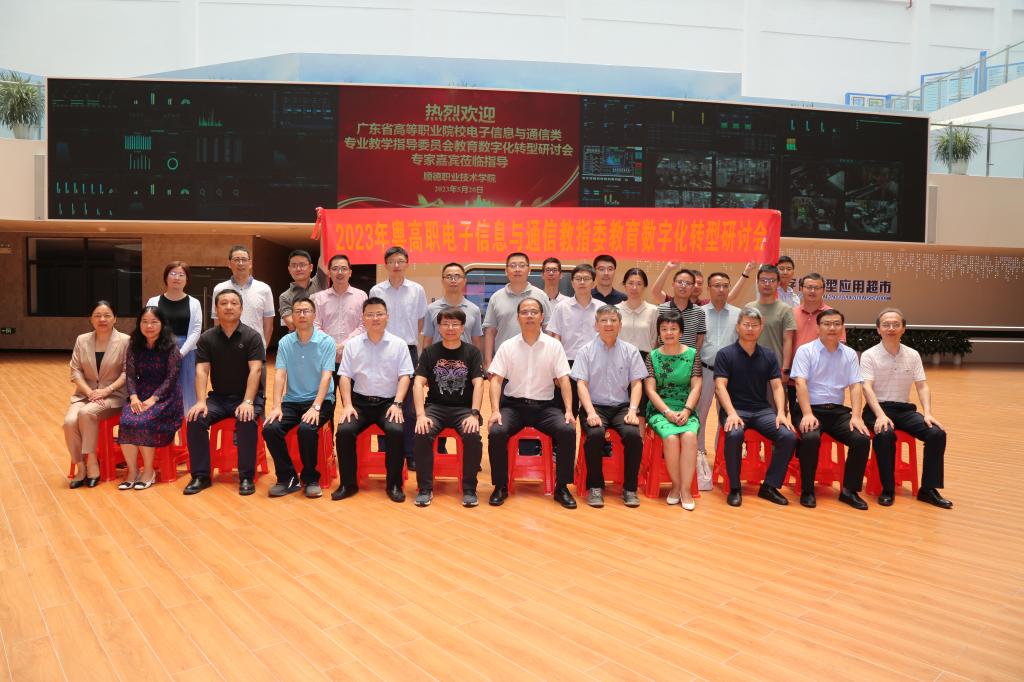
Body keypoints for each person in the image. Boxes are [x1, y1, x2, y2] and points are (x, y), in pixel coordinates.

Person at [486, 297, 577, 509]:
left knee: (567, 430)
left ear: (542, 317)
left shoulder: (554, 346)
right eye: (525, 312)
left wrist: (569, 411)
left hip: (545, 407)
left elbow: (564, 380)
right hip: (514, 406)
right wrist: (495, 411)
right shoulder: (508, 346)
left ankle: (562, 487)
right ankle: (500, 486)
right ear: (518, 317)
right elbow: (496, 380)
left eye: (534, 312)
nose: (529, 316)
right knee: (497, 431)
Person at [860, 308, 952, 509]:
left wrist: (928, 413)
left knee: (937, 433)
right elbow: (866, 388)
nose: (891, 328)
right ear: (878, 329)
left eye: (896, 324)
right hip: (877, 409)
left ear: (903, 329)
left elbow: (922, 386)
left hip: (904, 410)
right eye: (886, 325)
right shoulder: (869, 355)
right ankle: (887, 489)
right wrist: (880, 415)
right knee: (885, 435)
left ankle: (928, 489)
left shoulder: (912, 354)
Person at [184, 289, 266, 496]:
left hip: (247, 397)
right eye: (223, 303)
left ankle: (246, 476)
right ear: (216, 309)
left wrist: (248, 401)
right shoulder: (207, 338)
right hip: (219, 399)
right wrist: (200, 401)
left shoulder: (252, 336)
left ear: (241, 309)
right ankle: (201, 476)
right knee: (195, 419)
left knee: (246, 419)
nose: (229, 307)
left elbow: (256, 370)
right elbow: (202, 371)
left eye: (234, 303)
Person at [333, 297, 415, 502]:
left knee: (396, 431)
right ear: (363, 318)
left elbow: (405, 376)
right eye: (370, 314)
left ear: (387, 317)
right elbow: (344, 376)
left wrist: (397, 403)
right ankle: (348, 484)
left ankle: (394, 484)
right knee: (344, 431)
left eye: (379, 314)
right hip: (359, 403)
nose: (375, 318)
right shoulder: (353, 345)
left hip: (388, 404)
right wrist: (347, 405)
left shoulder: (399, 344)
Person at [713, 307, 797, 507]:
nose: (750, 329)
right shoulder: (725, 354)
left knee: (788, 436)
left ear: (761, 328)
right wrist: (731, 413)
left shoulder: (768, 355)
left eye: (754, 325)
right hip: (735, 409)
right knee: (734, 435)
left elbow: (777, 386)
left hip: (761, 410)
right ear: (738, 327)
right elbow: (719, 387)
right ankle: (735, 488)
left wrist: (780, 413)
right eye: (746, 325)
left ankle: (769, 486)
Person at [791, 308, 872, 510]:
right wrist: (807, 414)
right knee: (810, 438)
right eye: (827, 324)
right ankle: (807, 490)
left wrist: (856, 416)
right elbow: (800, 383)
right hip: (809, 408)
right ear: (818, 328)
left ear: (842, 328)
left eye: (837, 324)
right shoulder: (805, 351)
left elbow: (855, 386)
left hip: (837, 411)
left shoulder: (849, 354)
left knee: (862, 438)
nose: (832, 328)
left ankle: (849, 491)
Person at [572, 306, 648, 508]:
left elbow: (637, 383)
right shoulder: (585, 351)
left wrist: (633, 410)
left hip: (622, 407)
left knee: (634, 436)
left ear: (620, 325)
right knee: (595, 434)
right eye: (603, 320)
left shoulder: (630, 351)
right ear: (596, 325)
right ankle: (595, 486)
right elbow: (581, 384)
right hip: (594, 406)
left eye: (613, 320)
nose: (608, 324)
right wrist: (590, 412)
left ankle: (630, 488)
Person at [262, 296, 336, 499]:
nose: (302, 315)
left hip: (321, 400)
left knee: (306, 428)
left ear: (314, 315)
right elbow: (280, 375)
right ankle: (287, 478)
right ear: (292, 316)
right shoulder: (286, 342)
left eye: (306, 311)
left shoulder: (326, 342)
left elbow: (326, 376)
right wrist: (276, 406)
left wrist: (316, 407)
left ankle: (311, 478)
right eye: (297, 311)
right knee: (270, 428)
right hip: (292, 401)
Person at [412, 306, 486, 508]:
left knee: (472, 436)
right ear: (439, 327)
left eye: (455, 324)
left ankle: (469, 489)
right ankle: (424, 488)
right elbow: (418, 383)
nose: (450, 328)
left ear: (463, 328)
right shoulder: (429, 352)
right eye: (446, 324)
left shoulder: (472, 352)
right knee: (421, 432)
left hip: (464, 409)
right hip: (435, 407)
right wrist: (420, 415)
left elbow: (479, 384)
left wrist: (474, 414)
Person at [369, 246, 427, 471]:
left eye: (400, 261)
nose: (396, 265)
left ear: (407, 263)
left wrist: (411, 344)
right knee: (383, 399)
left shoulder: (417, 290)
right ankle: (386, 451)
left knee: (410, 405)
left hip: (408, 350)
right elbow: (372, 320)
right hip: (381, 349)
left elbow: (420, 321)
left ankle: (410, 453)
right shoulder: (376, 290)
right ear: (385, 265)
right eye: (392, 261)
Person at [116, 306, 183, 490]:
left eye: (154, 322)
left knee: (144, 422)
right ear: (139, 324)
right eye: (144, 322)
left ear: (162, 324)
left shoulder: (171, 347)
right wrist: (133, 397)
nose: (149, 326)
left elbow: (171, 378)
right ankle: (132, 471)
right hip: (140, 394)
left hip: (166, 396)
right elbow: (130, 375)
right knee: (126, 421)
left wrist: (154, 399)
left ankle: (148, 471)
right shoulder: (134, 345)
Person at [64, 301, 129, 488]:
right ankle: (80, 466)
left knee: (86, 413)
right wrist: (89, 392)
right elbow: (75, 371)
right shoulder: (82, 340)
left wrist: (107, 390)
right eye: (97, 315)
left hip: (113, 396)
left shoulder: (125, 341)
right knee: (69, 422)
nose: (102, 319)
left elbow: (127, 372)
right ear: (91, 319)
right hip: (85, 394)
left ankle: (92, 461)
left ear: (115, 318)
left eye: (107, 315)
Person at [644, 311, 702, 510]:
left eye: (673, 329)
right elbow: (650, 390)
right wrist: (667, 412)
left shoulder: (692, 354)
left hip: (686, 408)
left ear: (681, 332)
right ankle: (676, 486)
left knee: (689, 436)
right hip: (660, 409)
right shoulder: (652, 356)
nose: (669, 333)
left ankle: (686, 490)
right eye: (664, 329)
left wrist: (687, 410)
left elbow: (696, 386)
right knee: (670, 438)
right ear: (659, 333)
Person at [146, 261, 201, 414]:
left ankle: (187, 425)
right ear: (166, 277)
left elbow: (196, 330)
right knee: (160, 389)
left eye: (181, 274)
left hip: (186, 352)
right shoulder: (153, 301)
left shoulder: (194, 303)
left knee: (186, 391)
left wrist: (180, 353)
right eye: (173, 274)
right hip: (159, 351)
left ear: (187, 279)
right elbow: (148, 326)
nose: (177, 278)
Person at [697, 272, 741, 460]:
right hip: (704, 370)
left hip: (729, 374)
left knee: (726, 413)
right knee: (700, 413)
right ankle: (699, 451)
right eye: (717, 285)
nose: (721, 289)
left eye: (725, 285)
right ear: (709, 288)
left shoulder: (738, 314)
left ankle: (721, 453)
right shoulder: (699, 313)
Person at [548, 263, 600, 418]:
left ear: (593, 282)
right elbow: (555, 338)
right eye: (578, 278)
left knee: (591, 411)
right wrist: (555, 369)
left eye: (586, 278)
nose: (582, 282)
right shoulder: (561, 307)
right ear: (572, 282)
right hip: (567, 363)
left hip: (594, 364)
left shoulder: (602, 308)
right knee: (566, 411)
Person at [482, 252, 550, 368]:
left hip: (536, 359)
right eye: (513, 266)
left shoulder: (541, 296)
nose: (517, 269)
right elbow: (490, 332)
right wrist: (488, 362)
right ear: (506, 271)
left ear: (529, 270)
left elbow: (547, 329)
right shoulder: (496, 297)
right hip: (504, 360)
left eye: (522, 265)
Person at [789, 272, 842, 415]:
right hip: (796, 378)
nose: (812, 291)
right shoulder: (791, 313)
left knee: (824, 422)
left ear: (823, 290)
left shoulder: (832, 315)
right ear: (801, 289)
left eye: (817, 288)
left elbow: (839, 347)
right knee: (798, 420)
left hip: (823, 381)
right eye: (808, 287)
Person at [616, 267, 659, 431]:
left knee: (640, 409)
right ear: (624, 285)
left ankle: (639, 443)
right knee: (620, 405)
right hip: (619, 361)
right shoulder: (616, 310)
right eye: (631, 283)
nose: (634, 287)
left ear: (645, 286)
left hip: (644, 362)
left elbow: (655, 340)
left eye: (639, 284)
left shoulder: (653, 310)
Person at [211, 245, 275, 348]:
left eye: (244, 260)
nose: (240, 263)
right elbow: (217, 321)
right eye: (236, 260)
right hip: (227, 346)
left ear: (250, 263)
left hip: (255, 347)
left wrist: (263, 348)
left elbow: (268, 324)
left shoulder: (264, 289)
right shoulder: (219, 289)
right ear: (229, 264)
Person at [312, 253, 367, 371]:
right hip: (326, 356)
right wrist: (332, 345)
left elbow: (364, 325)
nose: (340, 272)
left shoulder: (361, 296)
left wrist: (343, 345)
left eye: (344, 268)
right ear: (329, 273)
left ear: (350, 272)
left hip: (354, 357)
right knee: (326, 384)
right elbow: (315, 326)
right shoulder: (319, 298)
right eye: (335, 269)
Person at [746, 264, 796, 391]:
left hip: (775, 369)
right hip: (749, 367)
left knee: (776, 403)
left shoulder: (785, 309)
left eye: (772, 280)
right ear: (757, 283)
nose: (767, 284)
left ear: (778, 283)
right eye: (763, 280)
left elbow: (788, 340)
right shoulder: (749, 308)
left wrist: (785, 369)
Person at [420, 262, 483, 353]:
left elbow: (476, 343)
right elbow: (427, 341)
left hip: (465, 360)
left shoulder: (474, 310)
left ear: (464, 281)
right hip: (438, 360)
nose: (453, 280)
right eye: (449, 277)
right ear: (442, 281)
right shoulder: (431, 309)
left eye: (457, 276)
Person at [655, 268, 707, 351]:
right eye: (680, 282)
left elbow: (700, 337)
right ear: (673, 284)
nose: (683, 286)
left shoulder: (699, 312)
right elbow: (655, 337)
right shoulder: (661, 309)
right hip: (664, 357)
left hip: (688, 358)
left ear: (693, 287)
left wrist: (694, 356)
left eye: (688, 283)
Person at [278, 249, 328, 331]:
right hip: (299, 338)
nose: (298, 269)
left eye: (302, 265)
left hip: (324, 336)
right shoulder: (285, 297)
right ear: (289, 269)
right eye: (294, 266)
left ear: (311, 267)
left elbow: (325, 256)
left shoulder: (320, 281)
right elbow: (292, 324)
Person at [728, 256, 800, 307]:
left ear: (793, 272)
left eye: (789, 269)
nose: (785, 272)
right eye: (781, 269)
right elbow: (763, 268)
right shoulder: (768, 289)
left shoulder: (795, 298)